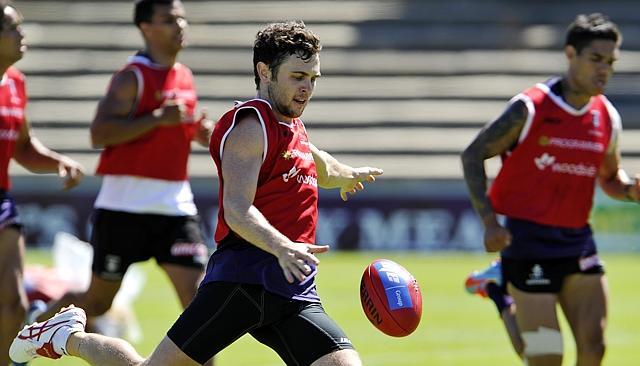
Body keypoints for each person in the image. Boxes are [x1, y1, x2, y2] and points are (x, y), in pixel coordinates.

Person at [10, 20, 382, 366]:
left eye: (314, 78)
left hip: (293, 291)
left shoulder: (293, 127)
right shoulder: (251, 127)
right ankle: (68, 336)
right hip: (244, 281)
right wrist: (283, 246)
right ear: (264, 72)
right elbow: (237, 210)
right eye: (297, 76)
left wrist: (349, 175)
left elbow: (322, 166)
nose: (307, 88)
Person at [461, 13, 640, 366]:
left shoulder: (606, 116)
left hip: (577, 239)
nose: (604, 69)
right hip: (527, 240)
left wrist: (632, 191)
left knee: (594, 348)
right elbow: (473, 154)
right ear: (570, 54)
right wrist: (489, 222)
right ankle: (499, 292)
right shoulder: (530, 107)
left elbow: (610, 178)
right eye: (596, 59)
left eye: (610, 62)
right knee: (547, 358)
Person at [33, 0, 212, 332]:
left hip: (175, 205)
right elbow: (100, 133)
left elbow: (174, 131)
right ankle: (29, 331)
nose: (180, 25)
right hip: (123, 206)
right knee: (99, 302)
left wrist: (198, 133)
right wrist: (158, 118)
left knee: (201, 301)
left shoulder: (184, 75)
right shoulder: (132, 77)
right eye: (169, 20)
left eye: (182, 18)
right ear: (146, 27)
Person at [0, 2, 84, 365]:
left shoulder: (16, 83)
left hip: (2, 200)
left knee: (13, 303)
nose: (22, 35)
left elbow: (22, 147)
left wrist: (58, 162)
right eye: (12, 28)